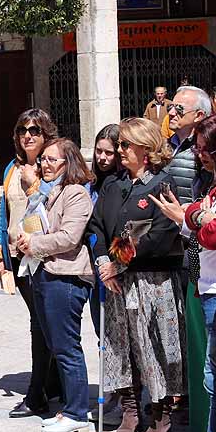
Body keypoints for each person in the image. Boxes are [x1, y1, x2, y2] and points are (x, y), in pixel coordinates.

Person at [88, 117, 185, 432]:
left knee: (153, 345)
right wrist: (104, 261)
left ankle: (161, 412)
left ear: (145, 147)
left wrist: (118, 262)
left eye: (126, 145)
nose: (119, 150)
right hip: (117, 281)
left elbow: (159, 234)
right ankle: (130, 408)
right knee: (120, 345)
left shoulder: (162, 183)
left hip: (152, 280)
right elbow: (97, 225)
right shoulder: (113, 184)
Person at [159, 115, 216, 432]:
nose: (206, 151)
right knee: (214, 380)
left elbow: (215, 231)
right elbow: (202, 218)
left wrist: (193, 219)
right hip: (208, 287)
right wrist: (194, 217)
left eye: (210, 144)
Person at [13, 139, 95, 432]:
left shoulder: (75, 193)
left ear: (67, 163)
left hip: (66, 277)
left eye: (51, 161)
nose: (44, 165)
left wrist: (33, 244)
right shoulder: (48, 193)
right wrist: (24, 240)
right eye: (43, 160)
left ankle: (77, 412)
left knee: (66, 346)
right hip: (43, 272)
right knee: (55, 345)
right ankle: (69, 406)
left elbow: (69, 237)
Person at [0, 109, 62, 419]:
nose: (28, 135)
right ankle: (53, 382)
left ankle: (37, 394)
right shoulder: (12, 167)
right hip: (19, 258)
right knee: (40, 321)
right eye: (23, 130)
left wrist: (36, 183)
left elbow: (57, 208)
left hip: (46, 258)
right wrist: (1, 255)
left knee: (41, 324)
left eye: (35, 130)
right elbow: (3, 211)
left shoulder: (52, 166)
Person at [86, 124, 122, 338]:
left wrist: (115, 262)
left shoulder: (124, 183)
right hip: (96, 265)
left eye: (109, 153)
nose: (102, 158)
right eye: (99, 151)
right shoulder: (90, 184)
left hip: (118, 265)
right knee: (102, 331)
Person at [166, 85, 211, 203]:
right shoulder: (163, 146)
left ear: (199, 115)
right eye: (170, 107)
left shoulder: (206, 153)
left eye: (179, 109)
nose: (171, 113)